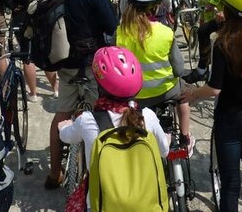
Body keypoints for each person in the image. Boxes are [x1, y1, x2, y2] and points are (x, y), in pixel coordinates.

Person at [182, 0, 242, 212]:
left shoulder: (222, 45)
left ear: (228, 13)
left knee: (231, 185)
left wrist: (192, 95)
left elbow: (214, 89)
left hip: (230, 117)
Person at [45, 0, 117, 189]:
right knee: (100, 115)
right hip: (89, 62)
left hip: (64, 62)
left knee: (61, 114)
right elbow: (110, 25)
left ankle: (54, 173)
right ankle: (103, 172)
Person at [58, 47, 169, 209]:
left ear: (99, 86)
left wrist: (63, 127)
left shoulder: (88, 121)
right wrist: (166, 139)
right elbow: (164, 152)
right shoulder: (148, 117)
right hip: (146, 206)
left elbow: (66, 137)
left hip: (103, 205)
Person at [116, 0, 192, 151]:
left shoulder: (120, 32)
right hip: (165, 93)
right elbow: (179, 69)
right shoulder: (165, 32)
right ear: (155, 7)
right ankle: (185, 138)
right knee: (184, 94)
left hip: (133, 96)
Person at [0, 0, 56, 101]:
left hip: (22, 17)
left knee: (27, 55)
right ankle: (55, 89)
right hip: (41, 17)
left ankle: (33, 93)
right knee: (45, 52)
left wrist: (12, 5)